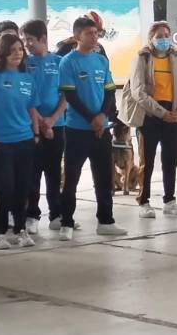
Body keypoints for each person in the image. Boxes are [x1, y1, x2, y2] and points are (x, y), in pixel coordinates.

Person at [58, 17, 127, 241]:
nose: (94, 37)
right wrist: (91, 118)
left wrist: (102, 116)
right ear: (77, 36)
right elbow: (70, 95)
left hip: (101, 129)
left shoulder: (101, 60)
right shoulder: (68, 61)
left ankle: (106, 220)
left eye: (96, 33)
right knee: (72, 177)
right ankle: (66, 221)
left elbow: (109, 91)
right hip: (77, 128)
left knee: (103, 176)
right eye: (89, 33)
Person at [0, 33, 39, 250]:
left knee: (23, 189)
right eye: (12, 51)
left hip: (25, 140)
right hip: (2, 142)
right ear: (2, 53)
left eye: (20, 50)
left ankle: (20, 230)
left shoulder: (27, 78)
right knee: (4, 189)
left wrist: (37, 133)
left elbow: (32, 109)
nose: (17, 54)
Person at [128, 21, 177, 218]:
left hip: (173, 115)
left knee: (170, 159)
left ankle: (169, 200)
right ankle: (144, 201)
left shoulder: (176, 57)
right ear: (151, 39)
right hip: (150, 115)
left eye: (166, 35)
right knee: (147, 160)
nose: (164, 39)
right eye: (159, 36)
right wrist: (160, 112)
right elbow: (138, 92)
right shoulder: (142, 58)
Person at [21, 20, 67, 234]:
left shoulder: (59, 62)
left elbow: (67, 94)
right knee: (33, 171)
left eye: (30, 39)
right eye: (25, 39)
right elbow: (24, 97)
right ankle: (31, 214)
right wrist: (40, 121)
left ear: (43, 39)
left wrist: (53, 120)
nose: (27, 44)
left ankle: (56, 213)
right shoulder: (23, 63)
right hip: (32, 125)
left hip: (56, 125)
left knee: (53, 171)